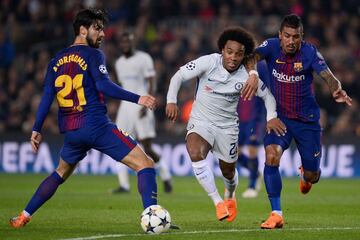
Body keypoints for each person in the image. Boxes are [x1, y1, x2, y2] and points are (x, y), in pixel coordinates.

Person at [9, 8, 159, 228]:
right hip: (97, 126)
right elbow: (103, 85)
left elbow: (47, 98)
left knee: (60, 173)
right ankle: (153, 219)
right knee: (145, 164)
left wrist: (36, 129)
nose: (103, 34)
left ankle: (23, 216)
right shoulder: (93, 55)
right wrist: (138, 98)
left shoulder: (55, 61)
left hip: (71, 131)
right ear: (82, 30)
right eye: (97, 28)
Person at [166, 27, 286, 222]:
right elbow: (178, 76)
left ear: (244, 56)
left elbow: (269, 98)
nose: (233, 57)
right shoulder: (208, 62)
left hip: (228, 128)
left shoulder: (248, 76)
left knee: (228, 171)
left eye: (239, 54)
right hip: (200, 121)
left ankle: (230, 195)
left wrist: (271, 116)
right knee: (195, 153)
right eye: (229, 52)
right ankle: (217, 202)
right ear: (222, 50)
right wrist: (171, 101)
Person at [254, 14, 352, 229]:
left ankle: (306, 176)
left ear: (302, 37)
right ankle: (276, 213)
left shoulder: (309, 52)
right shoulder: (270, 47)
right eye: (287, 36)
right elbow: (252, 56)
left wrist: (336, 88)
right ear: (280, 35)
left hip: (307, 121)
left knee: (313, 175)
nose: (291, 41)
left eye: (295, 37)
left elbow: (327, 75)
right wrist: (253, 72)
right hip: (280, 118)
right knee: (271, 156)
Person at [112, 32, 172, 194]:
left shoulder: (144, 58)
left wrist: (147, 104)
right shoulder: (118, 63)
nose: (125, 46)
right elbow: (122, 87)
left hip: (141, 104)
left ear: (133, 43)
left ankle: (166, 178)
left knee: (147, 147)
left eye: (127, 43)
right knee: (118, 143)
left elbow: (151, 82)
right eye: (122, 43)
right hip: (125, 107)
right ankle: (124, 185)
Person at [237, 60, 269, 199]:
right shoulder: (235, 64)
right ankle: (254, 172)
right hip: (238, 115)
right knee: (233, 153)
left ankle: (252, 185)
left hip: (255, 116)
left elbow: (266, 90)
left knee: (252, 150)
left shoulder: (260, 66)